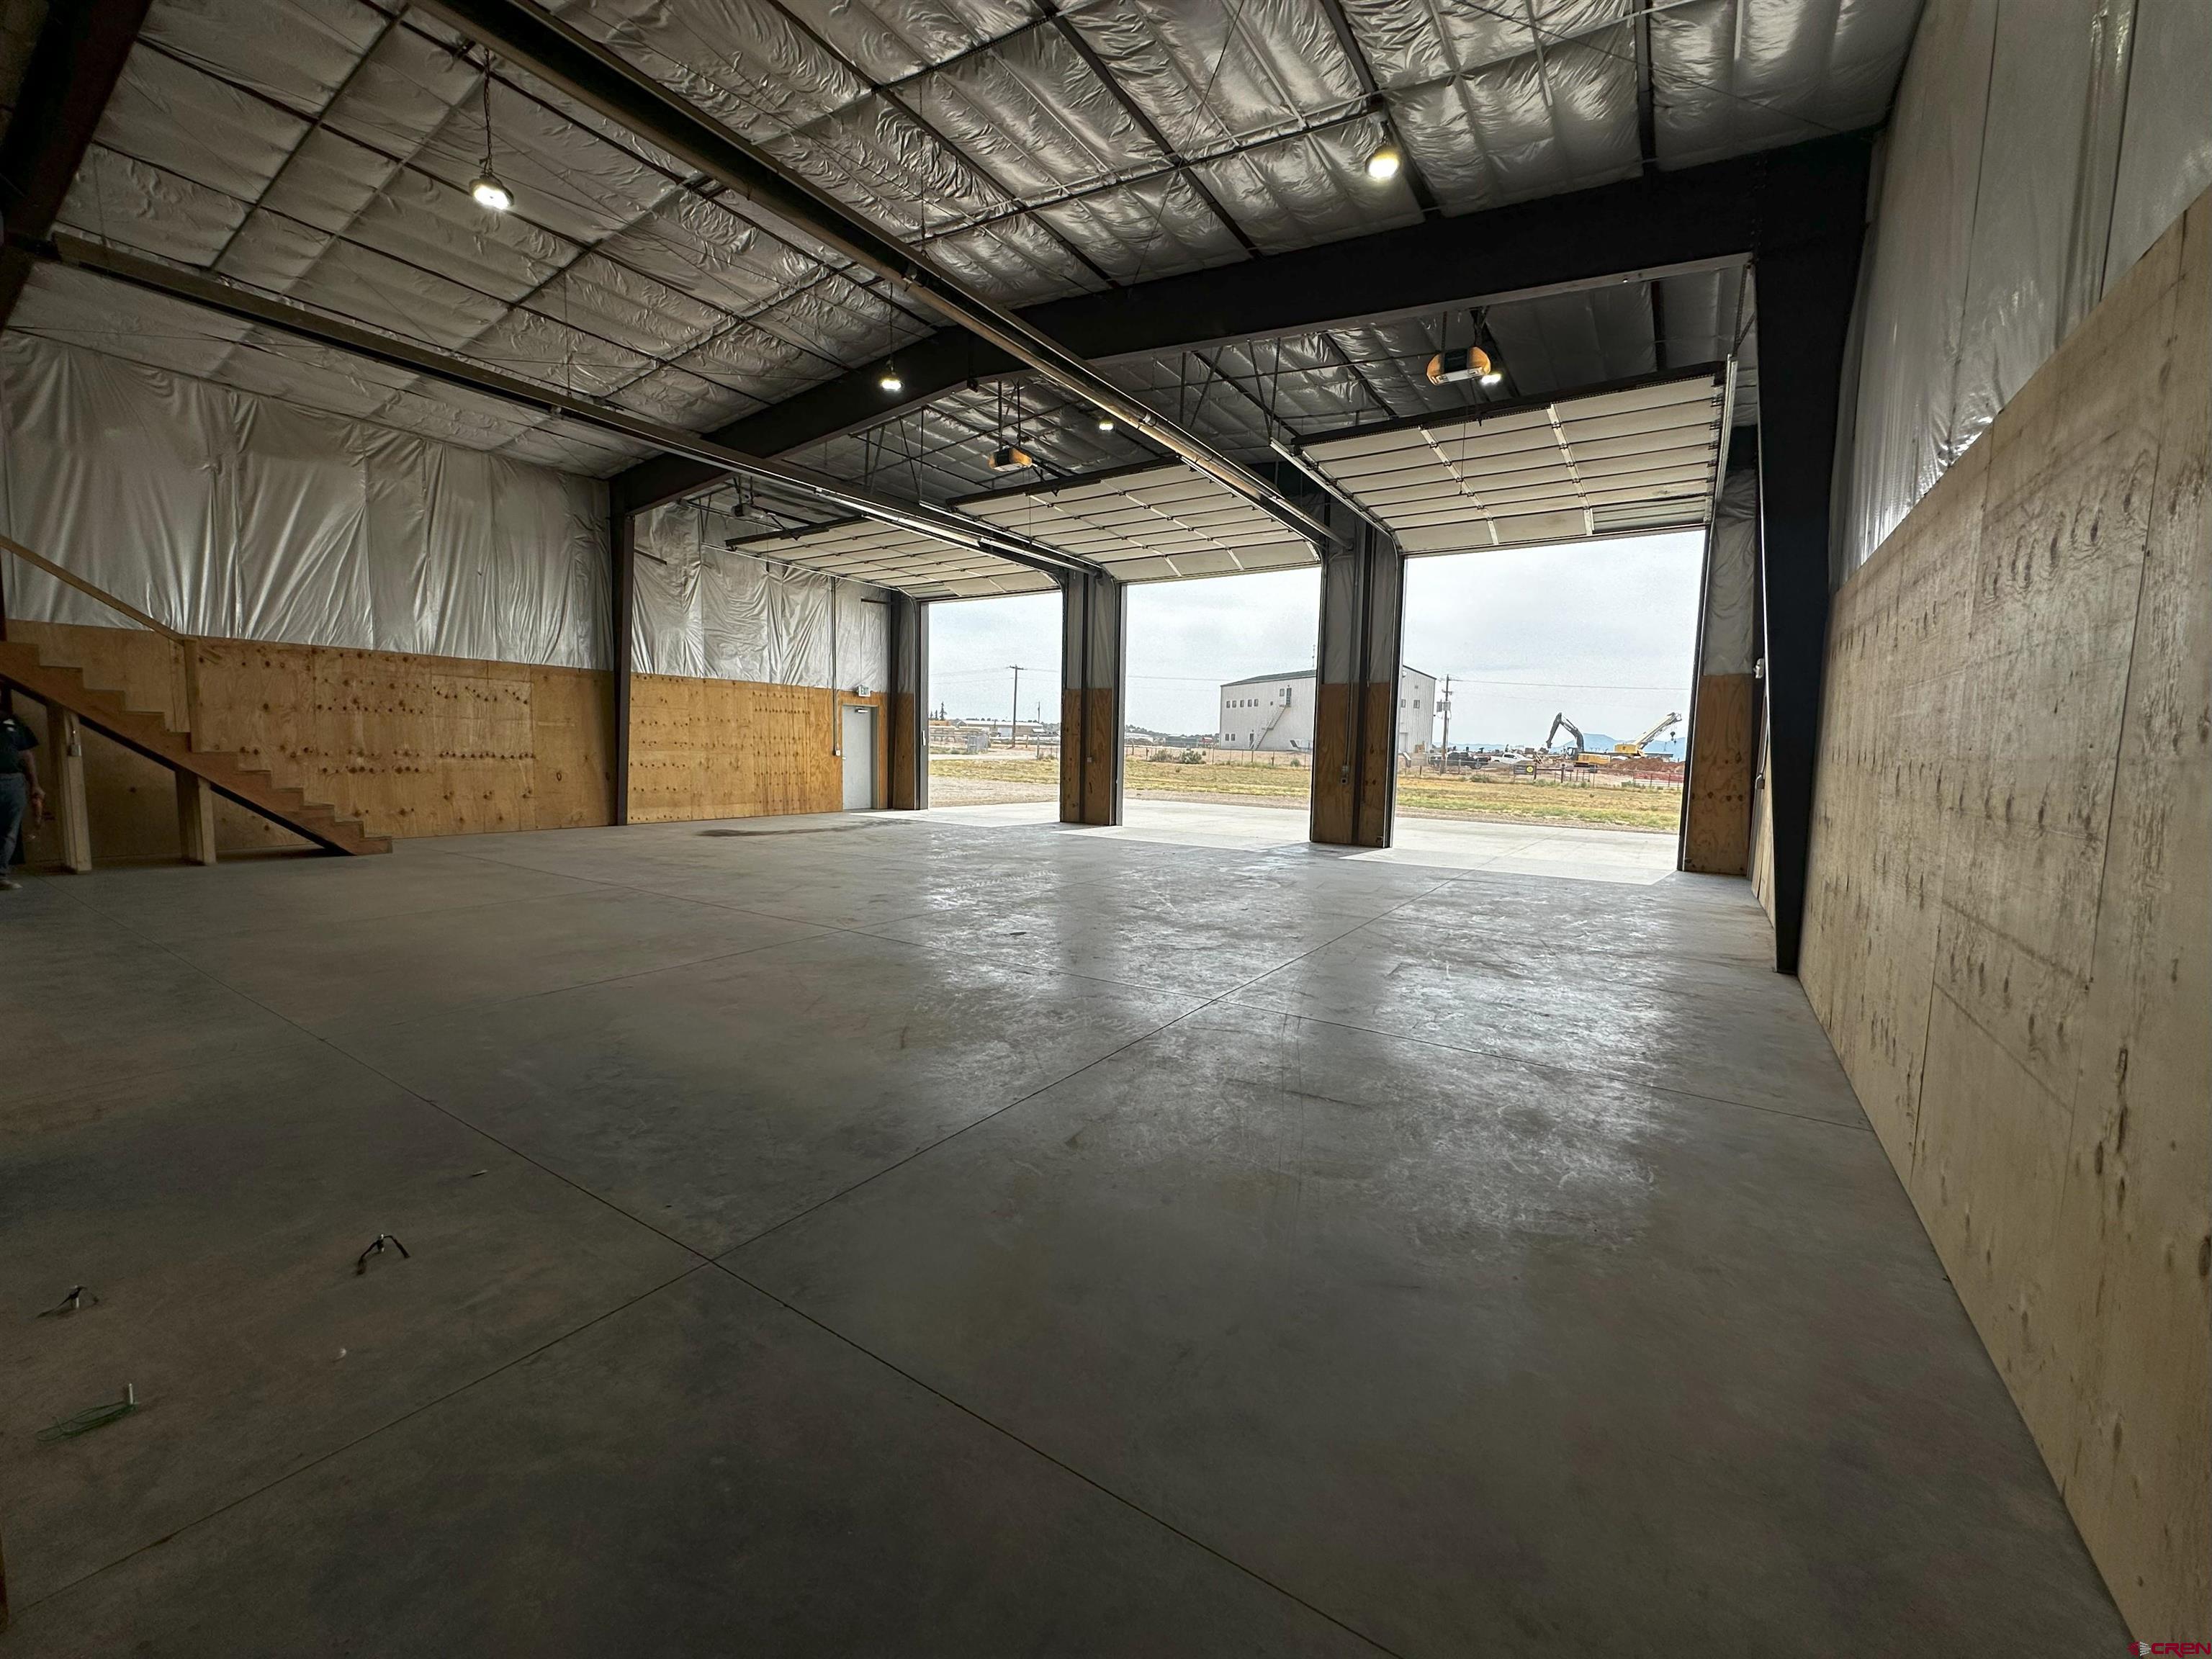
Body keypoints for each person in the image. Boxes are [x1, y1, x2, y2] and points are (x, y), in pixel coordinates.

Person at [0, 700, 44, 891]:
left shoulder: (12, 721)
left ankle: (1, 875)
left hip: (13, 781)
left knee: (9, 832)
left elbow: (26, 754)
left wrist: (35, 784)